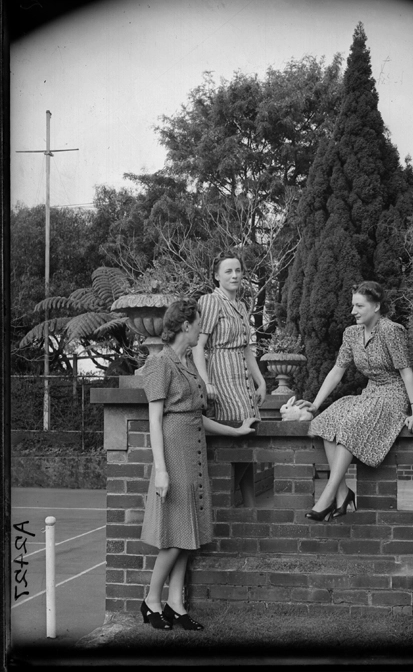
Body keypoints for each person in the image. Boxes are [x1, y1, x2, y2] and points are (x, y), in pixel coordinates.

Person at [140, 298, 257, 630]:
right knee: (175, 536)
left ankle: (176, 604)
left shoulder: (188, 364)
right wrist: (161, 469)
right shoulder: (160, 363)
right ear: (186, 325)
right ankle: (151, 600)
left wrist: (235, 432)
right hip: (174, 457)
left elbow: (196, 417)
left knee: (187, 534)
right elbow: (155, 420)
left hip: (194, 455)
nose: (202, 329)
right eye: (199, 323)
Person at [296, 281, 413, 522]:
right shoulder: (352, 334)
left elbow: (406, 372)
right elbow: (337, 370)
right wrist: (315, 403)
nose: (353, 310)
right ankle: (343, 493)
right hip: (371, 393)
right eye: (352, 305)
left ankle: (328, 496)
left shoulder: (391, 330)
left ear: (376, 306)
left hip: (393, 395)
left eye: (359, 305)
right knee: (327, 420)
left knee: (352, 424)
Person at [192, 251, 266, 507]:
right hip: (221, 378)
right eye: (228, 271)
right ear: (216, 276)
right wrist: (205, 382)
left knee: (248, 440)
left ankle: (250, 507)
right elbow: (198, 345)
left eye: (238, 270)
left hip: (243, 380)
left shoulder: (242, 306)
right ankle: (221, 505)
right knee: (236, 439)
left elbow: (247, 349)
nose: (234, 275)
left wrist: (262, 382)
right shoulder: (211, 302)